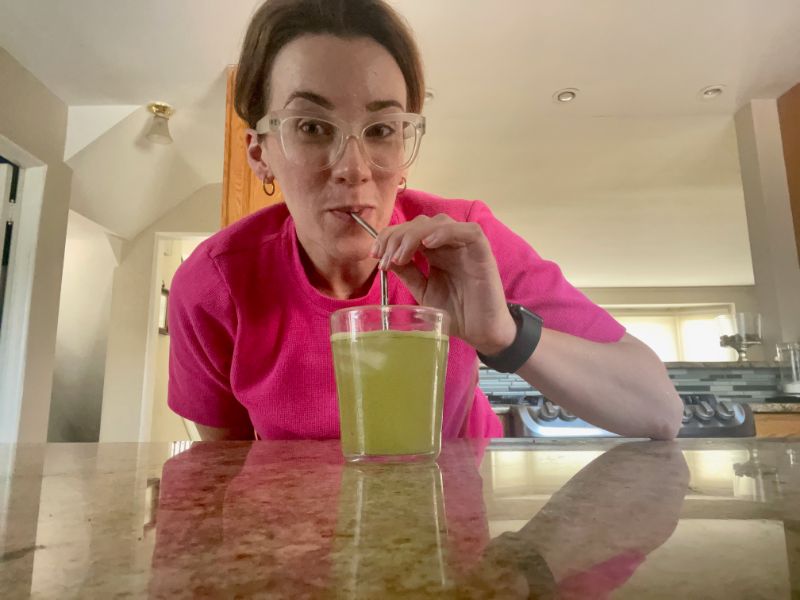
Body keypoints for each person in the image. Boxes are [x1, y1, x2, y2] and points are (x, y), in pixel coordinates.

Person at [167, 0, 683, 441]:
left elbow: (658, 409)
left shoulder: (463, 246)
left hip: (457, 524)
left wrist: (502, 334)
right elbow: (227, 475)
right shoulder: (213, 285)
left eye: (383, 129)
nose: (354, 169)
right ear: (260, 153)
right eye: (311, 126)